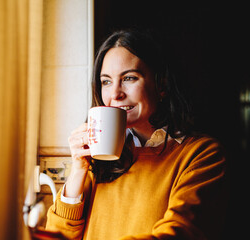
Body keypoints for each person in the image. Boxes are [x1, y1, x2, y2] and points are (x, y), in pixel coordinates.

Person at [45, 28, 227, 240]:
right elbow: (56, 235)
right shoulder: (98, 158)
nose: (115, 94)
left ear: (162, 85)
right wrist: (78, 170)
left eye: (129, 78)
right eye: (106, 81)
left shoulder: (201, 154)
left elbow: (180, 233)